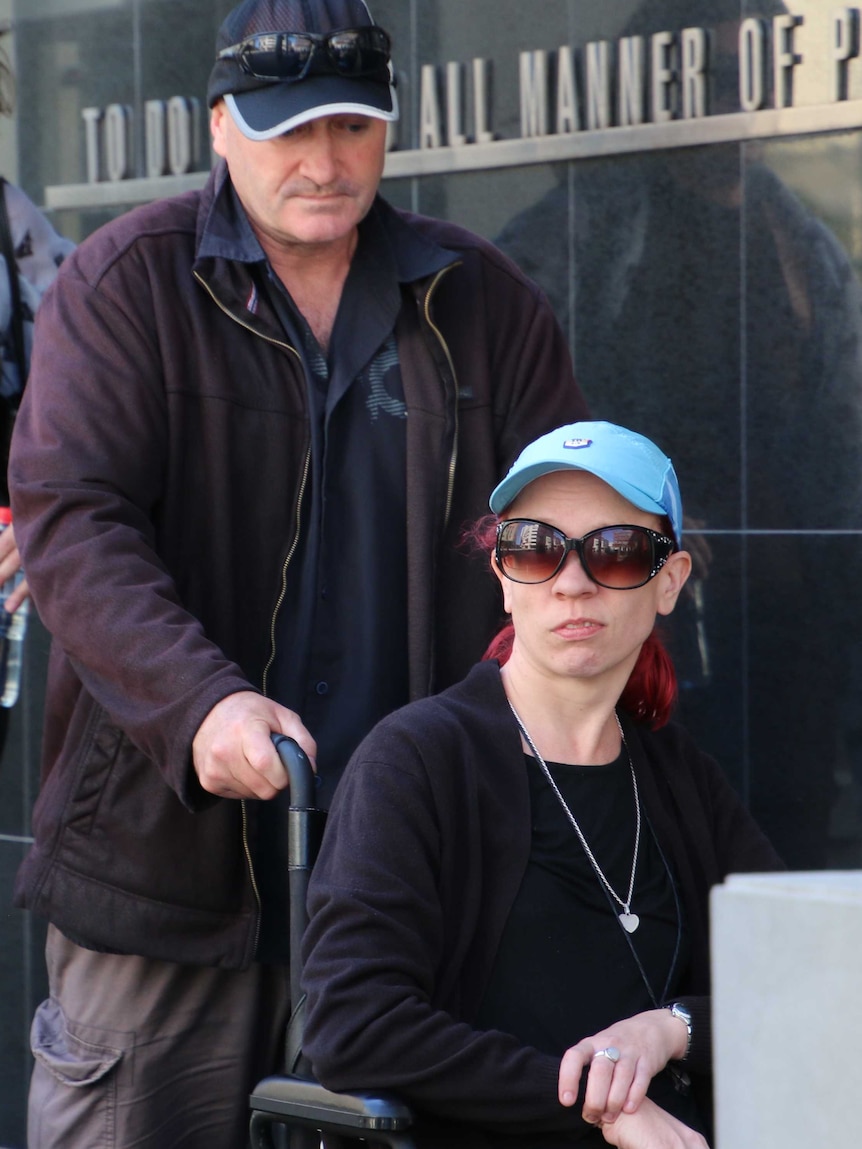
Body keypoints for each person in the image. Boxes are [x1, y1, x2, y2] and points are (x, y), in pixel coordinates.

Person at [7, 0, 585, 1143]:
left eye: (353, 128)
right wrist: (201, 701)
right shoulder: (128, 284)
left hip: (409, 889)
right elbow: (75, 523)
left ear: (388, 130)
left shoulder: (481, 297)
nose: (324, 163)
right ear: (219, 127)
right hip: (164, 877)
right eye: (287, 130)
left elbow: (561, 525)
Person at [301, 420, 784, 1148]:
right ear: (502, 576)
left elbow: (808, 977)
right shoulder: (418, 760)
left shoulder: (678, 777)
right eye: (534, 546)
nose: (571, 581)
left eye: (617, 552)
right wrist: (599, 1105)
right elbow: (353, 1022)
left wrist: (672, 1028)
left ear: (670, 583)